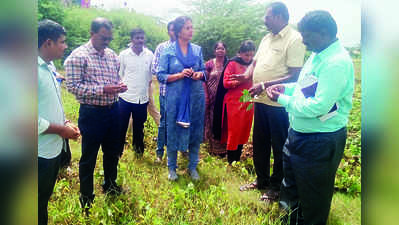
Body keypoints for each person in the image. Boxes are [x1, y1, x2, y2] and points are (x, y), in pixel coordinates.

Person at [266, 10, 354, 225]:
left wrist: (283, 101)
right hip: (299, 135)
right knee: (291, 189)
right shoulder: (317, 55)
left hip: (319, 141)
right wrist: (285, 88)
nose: (303, 40)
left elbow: (319, 106)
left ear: (323, 33)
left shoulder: (335, 62)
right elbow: (307, 88)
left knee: (313, 198)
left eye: (307, 35)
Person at [239, 2, 306, 203]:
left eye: (267, 16)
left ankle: (276, 187)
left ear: (278, 16)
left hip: (279, 104)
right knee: (260, 143)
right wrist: (246, 74)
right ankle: (261, 180)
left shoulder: (295, 39)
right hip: (260, 100)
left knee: (279, 146)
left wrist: (264, 83)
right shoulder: (266, 38)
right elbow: (256, 62)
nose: (264, 19)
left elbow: (295, 74)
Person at [64, 17, 128, 212]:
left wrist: (119, 87)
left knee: (112, 152)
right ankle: (86, 196)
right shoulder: (78, 56)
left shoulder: (111, 55)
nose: (107, 42)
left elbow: (114, 80)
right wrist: (103, 89)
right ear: (92, 34)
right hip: (92, 113)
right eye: (103, 38)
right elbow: (73, 87)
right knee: (89, 156)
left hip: (113, 110)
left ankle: (110, 185)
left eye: (109, 38)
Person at [38, 19, 80, 225]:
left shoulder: (48, 66)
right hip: (38, 153)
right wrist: (61, 129)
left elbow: (47, 101)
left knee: (42, 201)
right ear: (48, 43)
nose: (65, 46)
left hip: (51, 148)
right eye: (62, 42)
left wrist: (64, 121)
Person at [157, 16, 206, 181]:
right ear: (178, 31)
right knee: (172, 130)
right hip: (175, 98)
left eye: (192, 27)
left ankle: (192, 166)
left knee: (195, 130)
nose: (191, 30)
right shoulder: (168, 51)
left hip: (195, 97)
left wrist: (198, 74)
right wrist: (179, 75)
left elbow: (204, 72)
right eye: (187, 28)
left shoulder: (197, 50)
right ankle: (172, 167)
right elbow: (161, 75)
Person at [214, 40, 255, 164]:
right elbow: (226, 83)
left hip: (248, 101)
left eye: (251, 55)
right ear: (240, 54)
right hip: (234, 103)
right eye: (246, 55)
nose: (249, 58)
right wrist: (243, 79)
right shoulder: (232, 63)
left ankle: (238, 158)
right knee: (234, 131)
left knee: (244, 130)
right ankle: (231, 160)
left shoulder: (254, 64)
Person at [118, 28, 154, 156]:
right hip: (125, 97)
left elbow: (150, 76)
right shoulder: (123, 55)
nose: (140, 40)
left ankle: (138, 151)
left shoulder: (150, 55)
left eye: (142, 38)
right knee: (121, 126)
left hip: (142, 98)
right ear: (131, 39)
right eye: (137, 38)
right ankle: (118, 152)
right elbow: (120, 74)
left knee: (139, 127)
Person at [151, 20, 176, 162]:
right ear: (168, 31)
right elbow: (155, 68)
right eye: (172, 30)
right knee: (164, 123)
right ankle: (159, 153)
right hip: (166, 92)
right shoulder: (162, 47)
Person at [203, 41, 228, 157]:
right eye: (218, 48)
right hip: (211, 99)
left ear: (225, 50)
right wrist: (206, 96)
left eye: (222, 48)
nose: (220, 51)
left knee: (223, 122)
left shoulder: (228, 64)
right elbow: (203, 80)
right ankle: (213, 149)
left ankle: (224, 150)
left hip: (224, 100)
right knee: (211, 122)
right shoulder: (209, 64)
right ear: (214, 51)